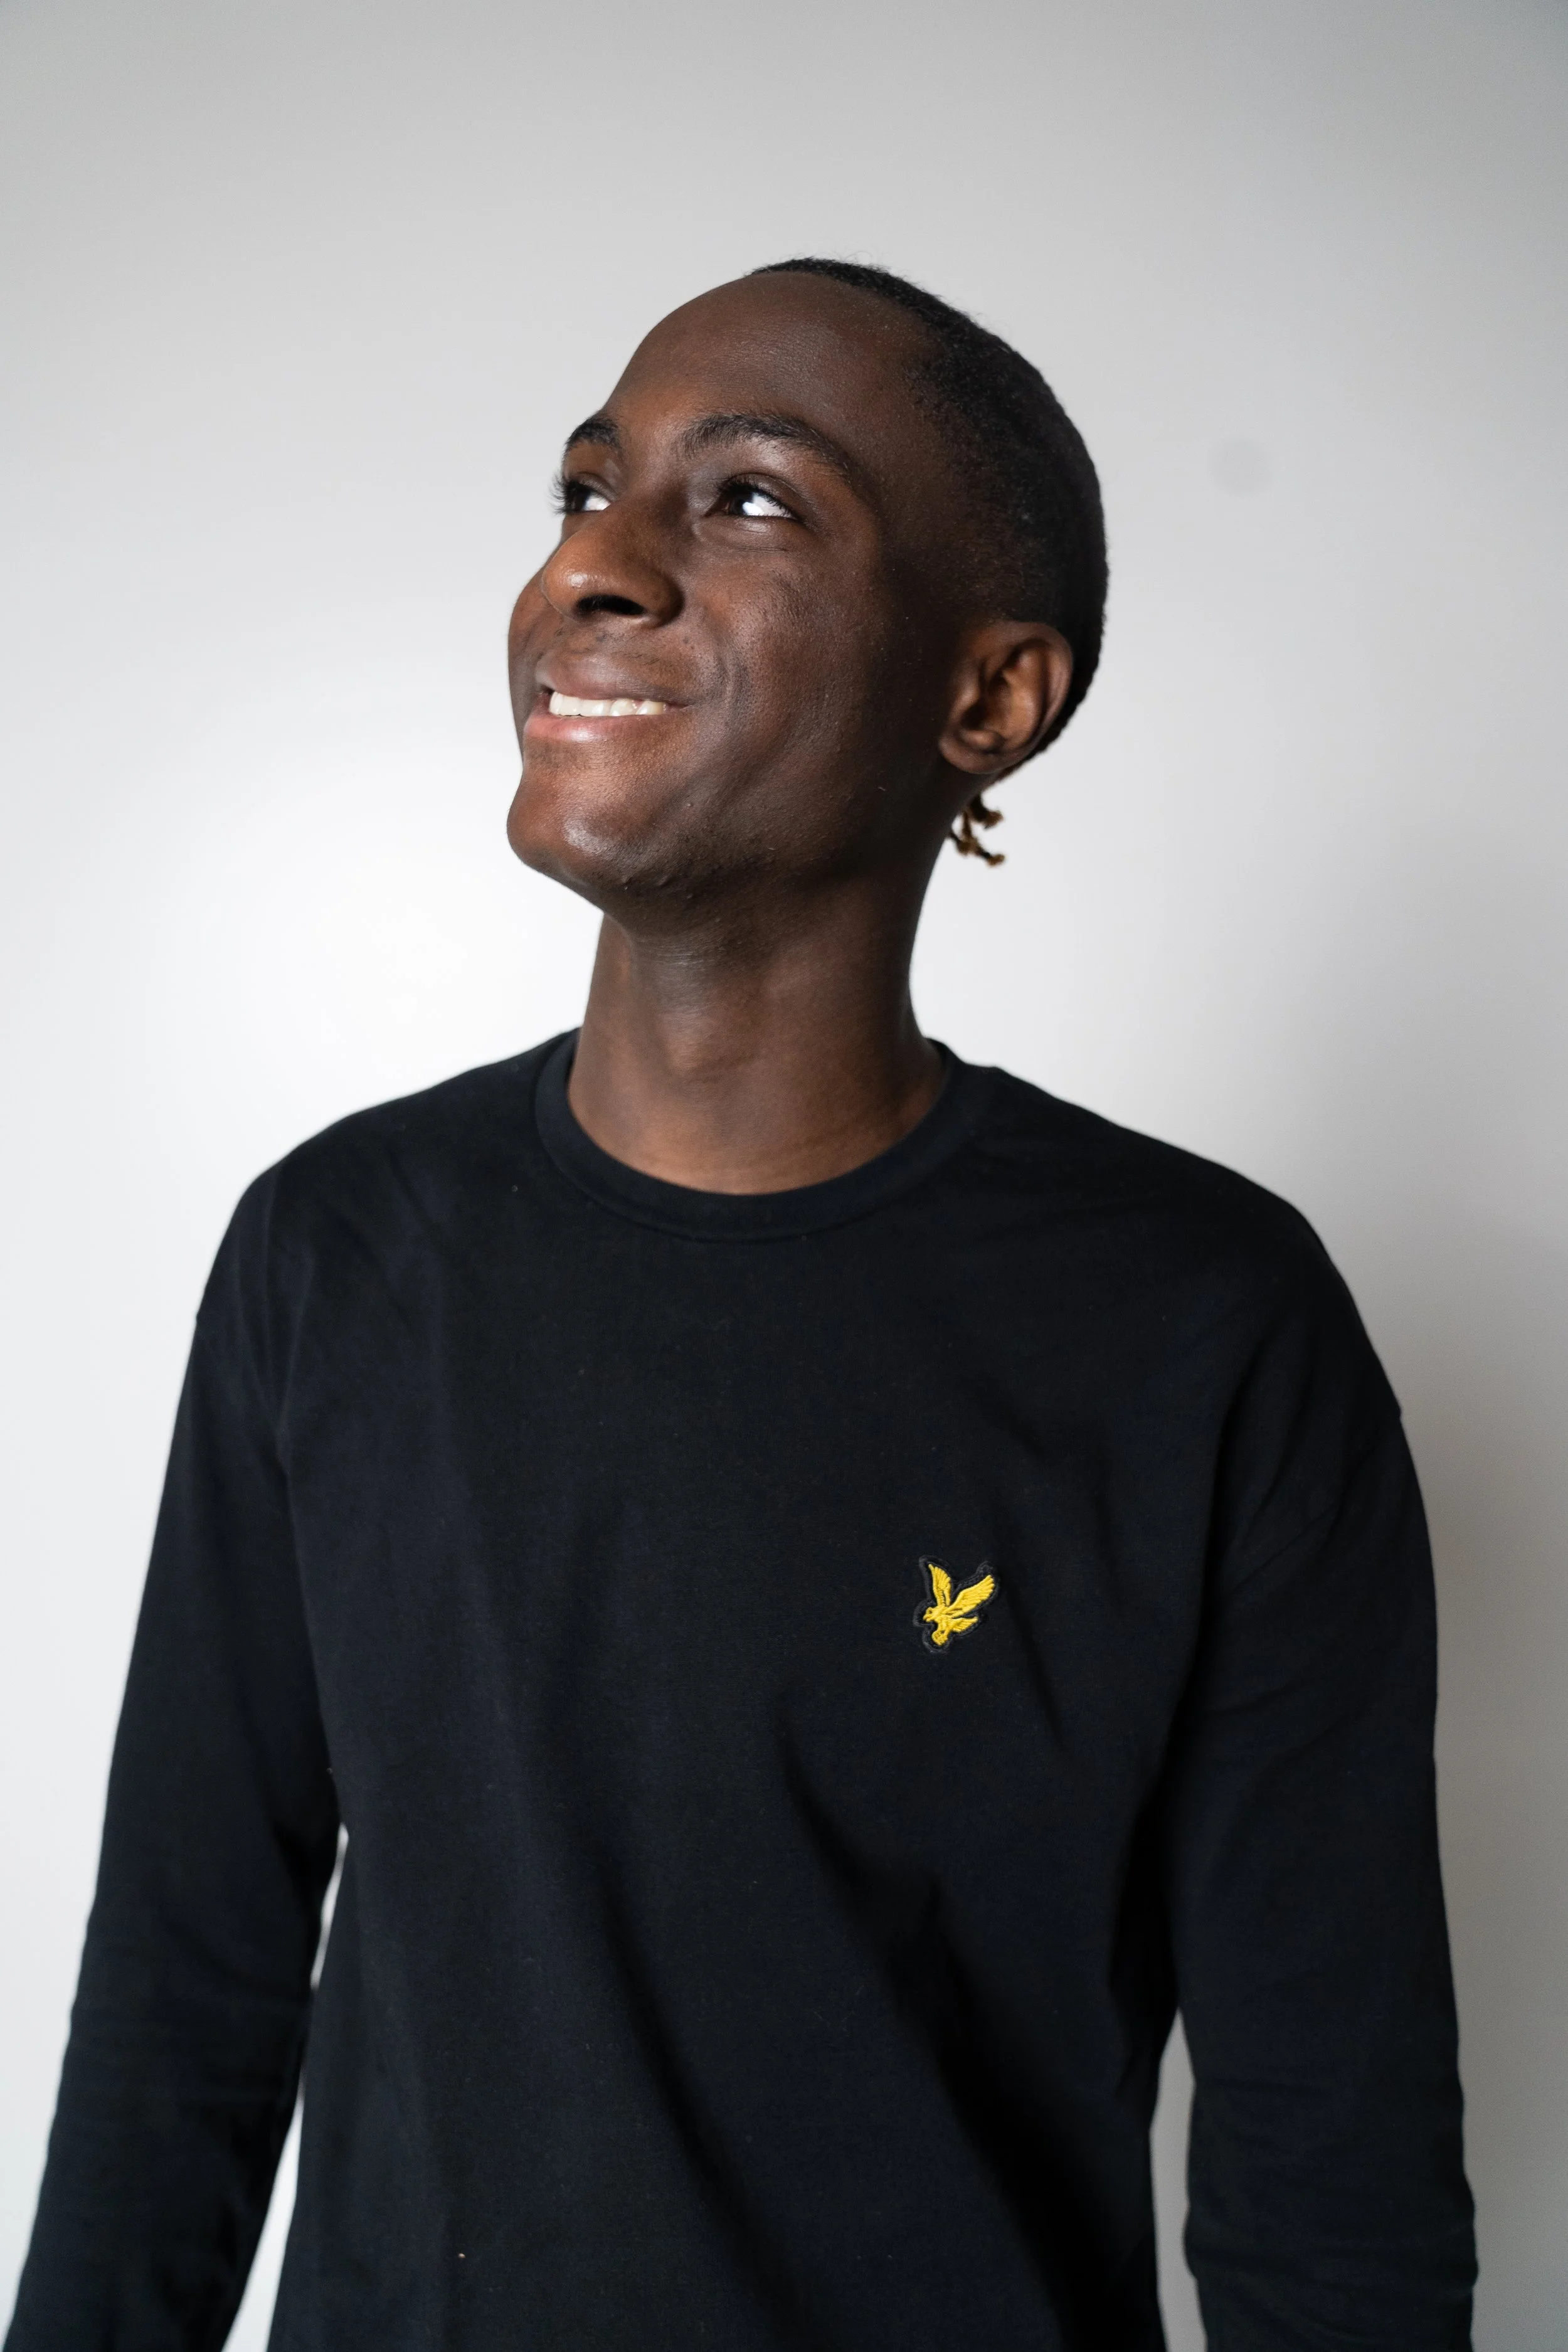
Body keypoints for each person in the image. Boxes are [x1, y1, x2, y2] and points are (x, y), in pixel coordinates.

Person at [6, 260, 1475, 2351]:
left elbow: (1327, 2163)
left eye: (751, 499)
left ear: (988, 699)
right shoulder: (332, 1258)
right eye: (585, 486)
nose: (590, 562)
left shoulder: (1208, 1329)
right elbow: (186, 1999)